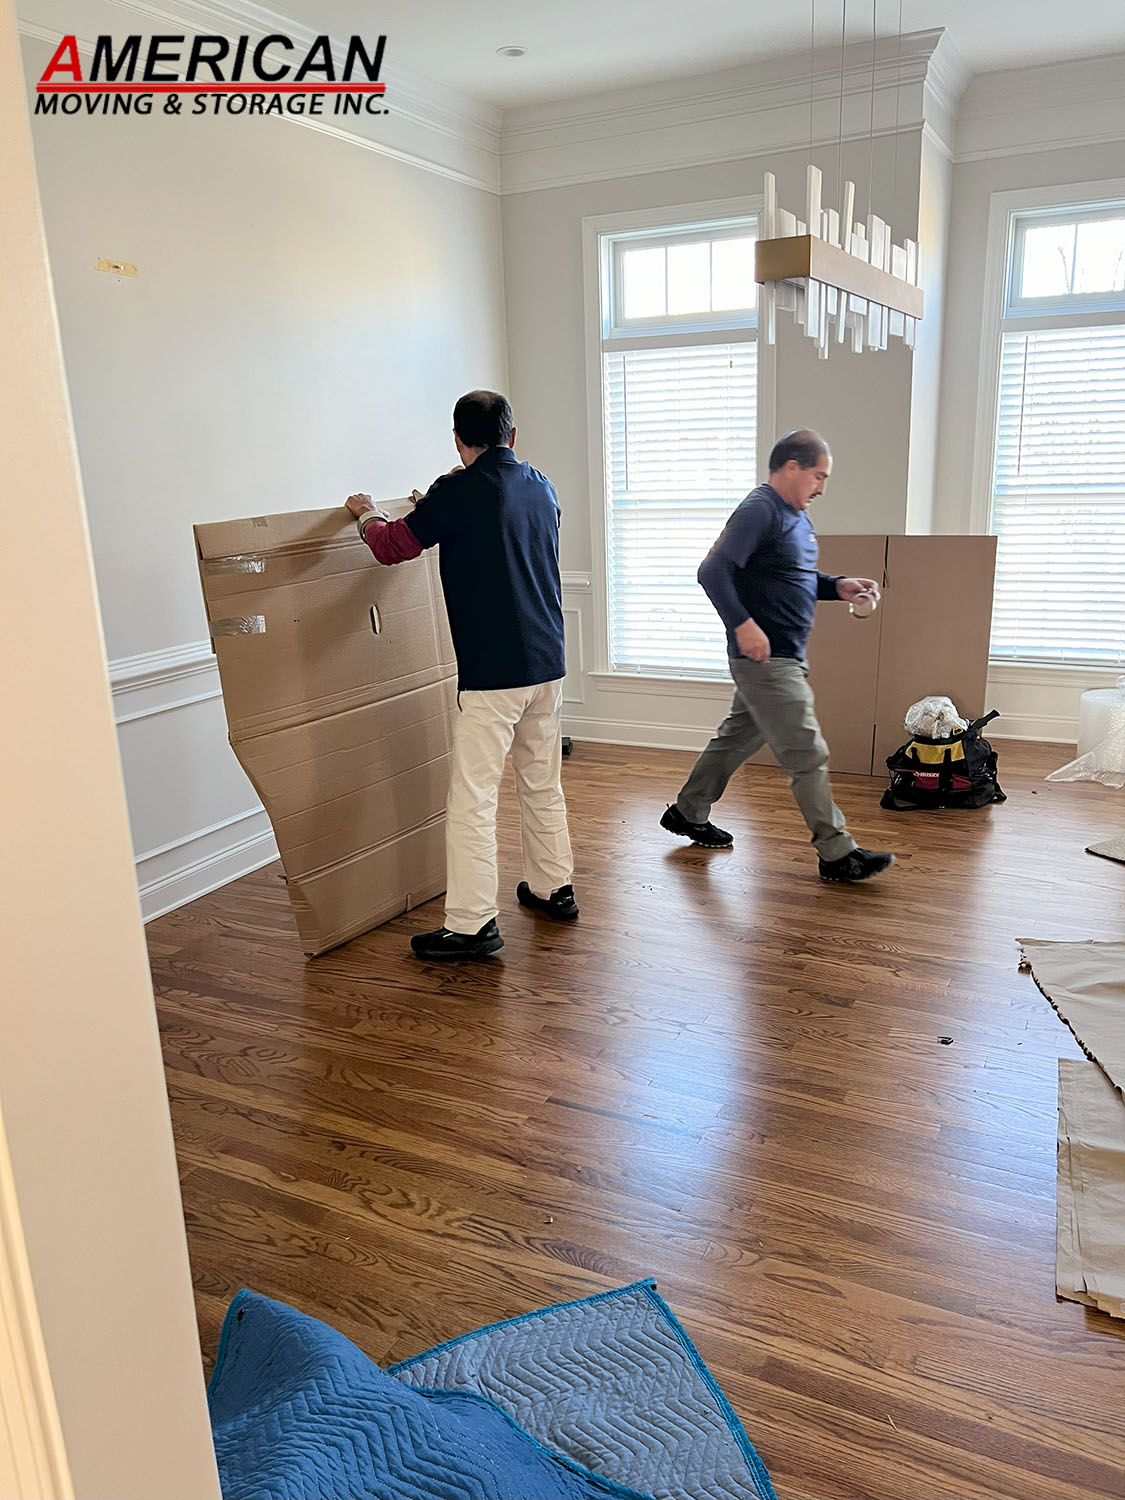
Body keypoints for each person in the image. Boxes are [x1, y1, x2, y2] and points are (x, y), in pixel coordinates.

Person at [345, 390, 577, 960]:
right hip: (548, 663)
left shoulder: (457, 494)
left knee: (473, 799)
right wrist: (441, 494)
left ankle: (473, 926)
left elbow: (391, 545)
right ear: (511, 436)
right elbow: (497, 525)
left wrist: (366, 512)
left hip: (494, 673)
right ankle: (553, 888)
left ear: (457, 440)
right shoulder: (541, 486)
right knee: (541, 781)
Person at [661, 428, 894, 884]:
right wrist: (742, 625)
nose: (821, 487)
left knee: (736, 738)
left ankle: (688, 811)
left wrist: (839, 586)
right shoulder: (760, 509)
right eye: (818, 476)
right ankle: (836, 852)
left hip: (781, 655)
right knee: (806, 749)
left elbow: (793, 576)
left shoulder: (795, 517)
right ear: (791, 466)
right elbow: (712, 570)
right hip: (767, 659)